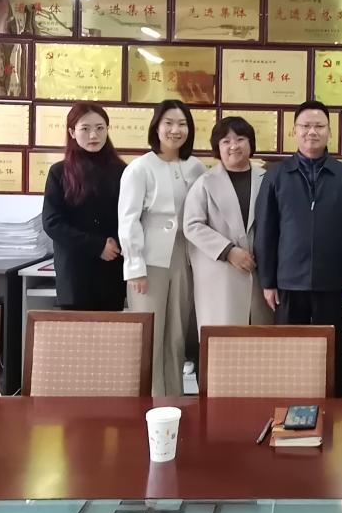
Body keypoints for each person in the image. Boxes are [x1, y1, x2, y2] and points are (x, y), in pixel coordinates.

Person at [254, 100, 342, 393]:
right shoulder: (275, 175)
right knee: (290, 353)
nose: (312, 132)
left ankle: (332, 406)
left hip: (334, 282)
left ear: (329, 132)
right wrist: (268, 281)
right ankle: (289, 406)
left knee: (332, 353)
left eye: (319, 126)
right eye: (305, 126)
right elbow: (266, 232)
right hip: (288, 283)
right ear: (294, 131)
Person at [118, 99, 205, 396]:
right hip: (149, 260)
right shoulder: (140, 168)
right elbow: (128, 220)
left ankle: (174, 398)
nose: (175, 130)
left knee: (178, 334)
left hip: (185, 257)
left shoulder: (195, 167)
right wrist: (135, 267)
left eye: (182, 124)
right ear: (156, 127)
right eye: (168, 123)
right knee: (151, 334)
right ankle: (151, 402)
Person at [184, 116, 272, 329]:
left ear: (250, 143)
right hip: (220, 273)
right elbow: (192, 225)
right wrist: (228, 251)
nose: (234, 146)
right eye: (226, 141)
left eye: (240, 139)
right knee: (223, 337)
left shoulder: (268, 179)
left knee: (261, 335)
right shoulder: (205, 183)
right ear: (218, 147)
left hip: (261, 273)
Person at [42, 103, 126, 311]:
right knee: (77, 330)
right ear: (72, 132)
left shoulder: (123, 171)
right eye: (85, 129)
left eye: (100, 128)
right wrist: (97, 246)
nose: (93, 135)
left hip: (111, 267)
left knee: (112, 328)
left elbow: (130, 216)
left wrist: (114, 245)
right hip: (75, 272)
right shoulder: (59, 172)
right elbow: (52, 222)